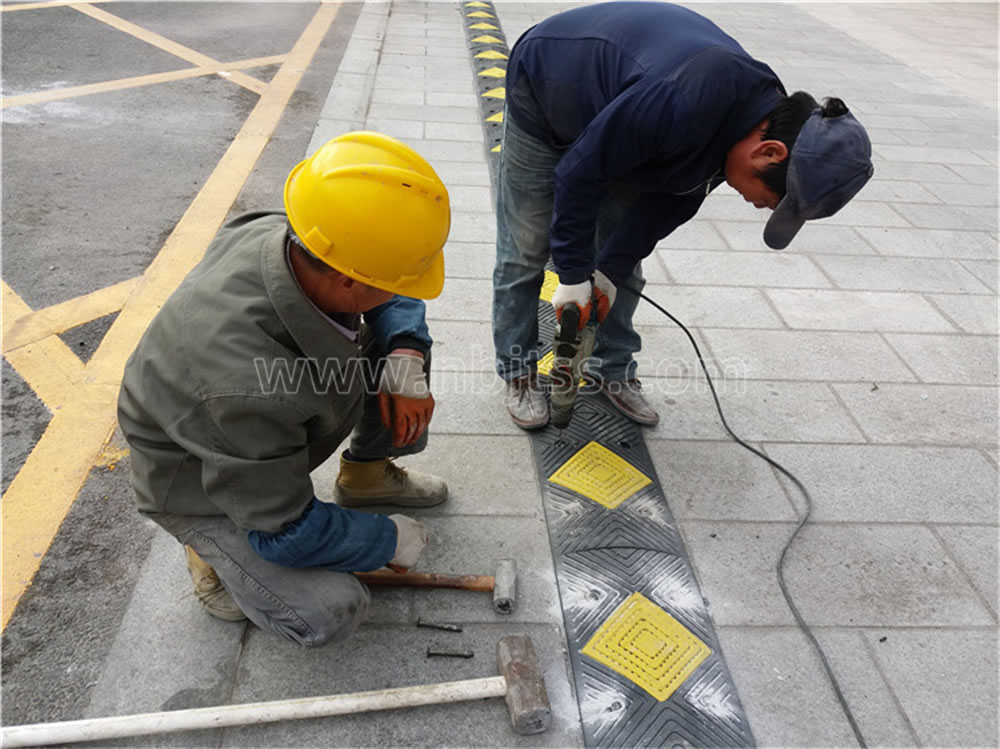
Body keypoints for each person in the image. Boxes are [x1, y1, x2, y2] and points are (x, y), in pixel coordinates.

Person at [118, 131, 452, 647]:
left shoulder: (297, 234)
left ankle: (366, 477)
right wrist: (385, 539)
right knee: (329, 611)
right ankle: (209, 549)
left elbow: (381, 294)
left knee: (402, 344)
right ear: (348, 283)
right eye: (400, 279)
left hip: (256, 418)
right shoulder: (245, 388)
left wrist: (405, 355)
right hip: (200, 481)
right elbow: (284, 529)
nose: (407, 289)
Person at [493, 1, 873, 429]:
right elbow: (580, 173)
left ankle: (611, 369)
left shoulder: (756, 119)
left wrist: (604, 274)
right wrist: (572, 274)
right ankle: (518, 371)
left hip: (622, 117)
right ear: (769, 152)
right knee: (524, 251)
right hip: (548, 84)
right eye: (773, 198)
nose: (762, 206)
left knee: (620, 269)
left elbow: (675, 196)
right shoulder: (682, 101)